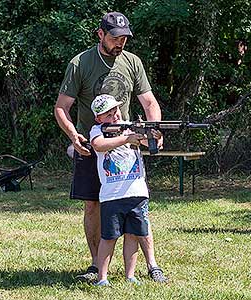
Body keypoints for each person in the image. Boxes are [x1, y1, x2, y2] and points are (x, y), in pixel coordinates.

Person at [54, 11, 164, 281]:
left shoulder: (133, 62)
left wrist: (153, 131)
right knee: (92, 205)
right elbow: (61, 107)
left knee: (134, 205)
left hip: (125, 147)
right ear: (100, 34)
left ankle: (146, 266)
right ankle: (96, 266)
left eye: (124, 38)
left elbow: (149, 103)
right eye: (115, 37)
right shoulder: (81, 63)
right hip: (91, 145)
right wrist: (73, 136)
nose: (120, 43)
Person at [89, 94, 166, 286]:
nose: (114, 115)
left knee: (133, 235)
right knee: (109, 238)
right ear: (99, 118)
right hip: (112, 195)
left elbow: (151, 145)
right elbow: (98, 145)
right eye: (108, 114)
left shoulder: (130, 126)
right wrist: (127, 138)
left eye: (115, 110)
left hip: (136, 192)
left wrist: (154, 136)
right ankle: (102, 277)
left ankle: (130, 275)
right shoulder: (97, 130)